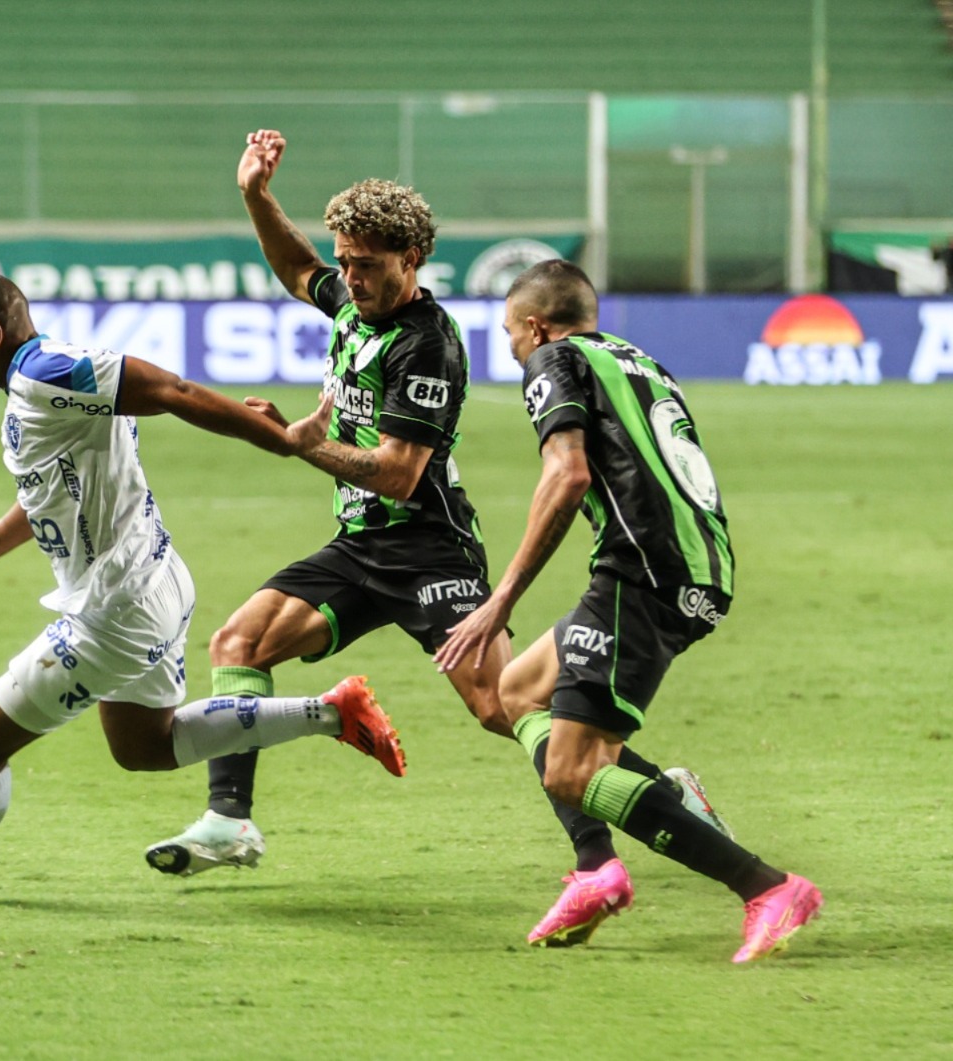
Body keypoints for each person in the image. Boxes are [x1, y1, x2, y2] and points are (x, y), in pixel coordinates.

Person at [145, 130, 717, 889]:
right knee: (240, 639)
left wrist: (293, 441)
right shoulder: (353, 302)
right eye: (345, 260)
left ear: (410, 261)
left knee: (504, 705)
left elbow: (396, 474)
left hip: (430, 553)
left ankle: (664, 799)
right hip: (358, 547)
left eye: (367, 264)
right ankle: (229, 820)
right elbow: (296, 269)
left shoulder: (428, 345)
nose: (348, 277)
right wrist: (256, 194)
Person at [0, 271, 405, 902]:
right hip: (155, 582)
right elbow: (47, 493)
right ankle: (333, 713)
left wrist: (282, 441)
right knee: (144, 747)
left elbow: (173, 389)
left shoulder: (46, 374)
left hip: (114, 610)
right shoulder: (49, 383)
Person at [436, 259, 822, 962]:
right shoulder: (638, 359)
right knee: (512, 691)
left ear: (534, 324)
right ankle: (601, 863)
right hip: (690, 564)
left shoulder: (552, 358)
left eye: (510, 335)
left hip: (642, 573)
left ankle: (768, 886)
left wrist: (502, 598)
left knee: (571, 772)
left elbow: (568, 472)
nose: (515, 349)